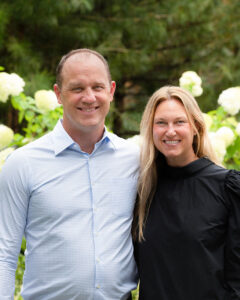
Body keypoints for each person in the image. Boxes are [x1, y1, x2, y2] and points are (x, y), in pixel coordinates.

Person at [0, 49, 139, 300]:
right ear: (58, 94)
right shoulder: (23, 164)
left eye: (97, 87)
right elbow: (4, 252)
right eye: (77, 88)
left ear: (111, 90)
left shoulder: (134, 159)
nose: (89, 97)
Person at [133, 86, 240, 299]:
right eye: (161, 123)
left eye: (179, 122)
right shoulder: (144, 190)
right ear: (151, 129)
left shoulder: (227, 187)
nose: (170, 131)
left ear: (195, 127)